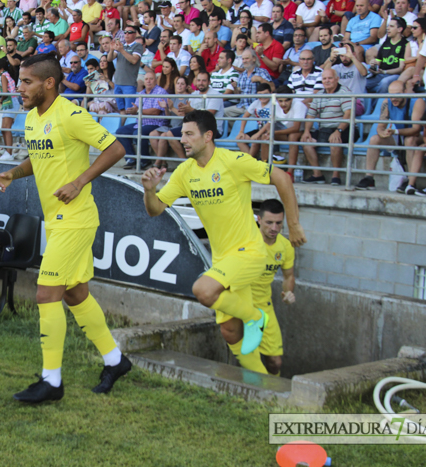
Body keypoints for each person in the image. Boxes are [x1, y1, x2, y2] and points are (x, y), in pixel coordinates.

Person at [0, 53, 130, 403]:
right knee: (74, 293)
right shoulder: (31, 119)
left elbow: (116, 149)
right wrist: (14, 172)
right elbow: (38, 159)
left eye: (27, 82)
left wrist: (80, 181)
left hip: (77, 219)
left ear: (49, 83)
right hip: (55, 220)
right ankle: (115, 360)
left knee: (46, 293)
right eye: (19, 81)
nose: (18, 88)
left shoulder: (70, 115)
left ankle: (51, 381)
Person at [141, 110, 305, 370]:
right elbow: (155, 209)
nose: (181, 139)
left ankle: (256, 317)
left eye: (188, 134)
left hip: (249, 252)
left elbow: (282, 178)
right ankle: (259, 383)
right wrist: (150, 191)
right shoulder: (185, 172)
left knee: (203, 291)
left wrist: (293, 225)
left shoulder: (233, 161)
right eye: (181, 133)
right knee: (229, 330)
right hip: (223, 259)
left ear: (207, 136)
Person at [250, 199, 296, 376]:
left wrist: (288, 293)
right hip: (240, 303)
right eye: (269, 222)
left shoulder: (285, 247)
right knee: (249, 358)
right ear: (259, 220)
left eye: (278, 223)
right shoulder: (246, 238)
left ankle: (272, 395)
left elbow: (288, 276)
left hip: (263, 307)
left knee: (275, 362)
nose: (274, 228)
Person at [301, 68, 352, 185]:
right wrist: (307, 131)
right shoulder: (319, 94)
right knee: (306, 141)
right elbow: (310, 114)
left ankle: (336, 176)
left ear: (337, 79)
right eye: (324, 78)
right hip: (324, 129)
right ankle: (317, 174)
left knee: (334, 140)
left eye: (330, 78)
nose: (327, 81)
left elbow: (348, 114)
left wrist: (339, 131)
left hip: (343, 128)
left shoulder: (345, 92)